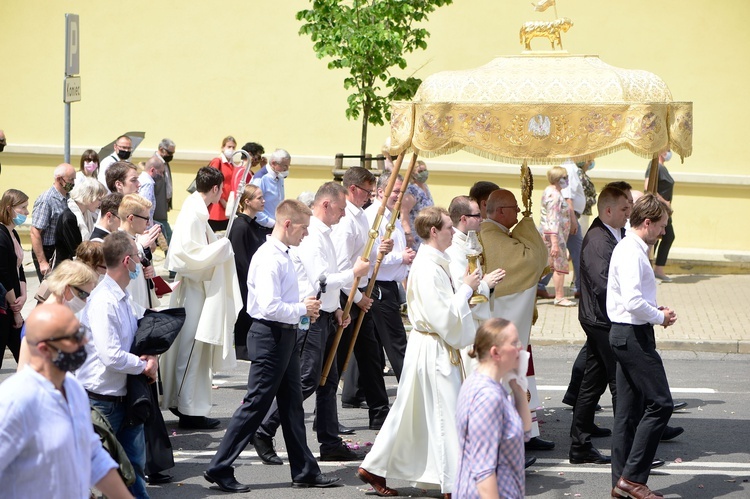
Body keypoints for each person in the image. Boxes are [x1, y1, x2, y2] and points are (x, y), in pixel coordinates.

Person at [204, 199, 340, 492]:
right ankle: (219, 466)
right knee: (256, 403)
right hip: (270, 335)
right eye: (303, 228)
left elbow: (282, 302)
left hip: (284, 334)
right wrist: (302, 309)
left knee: (292, 405)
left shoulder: (284, 254)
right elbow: (268, 307)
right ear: (287, 224)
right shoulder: (269, 257)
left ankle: (304, 470)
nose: (306, 234)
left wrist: (302, 308)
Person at [357, 206, 480, 498]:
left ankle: (375, 466)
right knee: (446, 413)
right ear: (434, 231)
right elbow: (441, 315)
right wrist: (466, 289)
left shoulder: (437, 261)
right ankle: (452, 485)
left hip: (434, 344)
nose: (454, 231)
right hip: (433, 347)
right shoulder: (426, 266)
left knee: (411, 413)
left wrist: (477, 287)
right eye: (449, 227)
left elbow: (448, 306)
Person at [254, 182, 369, 464]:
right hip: (311, 318)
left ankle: (329, 442)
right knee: (306, 380)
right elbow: (320, 279)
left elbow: (326, 282)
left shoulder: (326, 234)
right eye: (341, 208)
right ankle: (263, 429)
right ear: (326, 205)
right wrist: (352, 275)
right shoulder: (312, 236)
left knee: (328, 382)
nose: (344, 214)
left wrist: (337, 308)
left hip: (326, 313)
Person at [0, 303, 132, 499]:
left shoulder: (73, 387)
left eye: (80, 331)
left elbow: (92, 454)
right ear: (45, 349)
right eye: (74, 337)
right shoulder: (15, 401)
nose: (84, 340)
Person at [76, 231, 159, 499]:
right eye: (138, 256)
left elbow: (142, 325)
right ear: (126, 261)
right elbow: (110, 354)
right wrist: (143, 365)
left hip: (126, 398)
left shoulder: (122, 297)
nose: (140, 261)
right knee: (101, 475)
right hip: (103, 401)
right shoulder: (103, 300)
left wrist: (152, 356)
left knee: (133, 470)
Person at [161, 166, 242, 430]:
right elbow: (186, 255)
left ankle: (186, 403)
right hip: (195, 290)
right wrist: (220, 247)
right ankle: (189, 410)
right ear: (216, 188)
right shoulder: (195, 211)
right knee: (193, 348)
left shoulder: (196, 208)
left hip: (196, 288)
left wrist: (215, 245)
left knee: (193, 348)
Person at [608, 193, 677, 499]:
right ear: (647, 223)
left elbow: (635, 299)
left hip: (627, 332)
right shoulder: (632, 252)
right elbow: (633, 302)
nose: (663, 232)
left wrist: (653, 310)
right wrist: (659, 316)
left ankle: (622, 483)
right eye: (661, 225)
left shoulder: (629, 248)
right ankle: (632, 479)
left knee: (627, 412)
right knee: (661, 403)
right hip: (633, 334)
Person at [480, 189, 553, 453]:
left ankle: (527, 431)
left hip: (511, 322)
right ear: (500, 211)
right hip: (503, 323)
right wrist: (528, 225)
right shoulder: (491, 236)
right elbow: (532, 260)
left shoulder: (501, 235)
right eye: (515, 208)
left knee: (521, 373)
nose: (519, 212)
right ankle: (513, 435)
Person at [568, 186, 632, 466]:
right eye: (624, 209)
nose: (629, 213)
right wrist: (631, 303)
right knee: (621, 382)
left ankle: (580, 446)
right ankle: (628, 453)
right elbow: (602, 283)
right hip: (601, 320)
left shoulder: (615, 233)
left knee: (592, 383)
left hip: (603, 318)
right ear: (608, 211)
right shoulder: (597, 239)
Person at [331, 166, 392, 429]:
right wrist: (357, 300)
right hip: (348, 298)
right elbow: (344, 268)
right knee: (334, 362)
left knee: (370, 357)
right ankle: (325, 419)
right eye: (367, 191)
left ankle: (379, 411)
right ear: (353, 189)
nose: (369, 196)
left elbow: (365, 253)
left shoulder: (362, 217)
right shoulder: (346, 222)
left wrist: (382, 250)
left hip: (360, 294)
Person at [455, 318, 532, 499]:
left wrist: (518, 388)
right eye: (514, 343)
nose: (520, 348)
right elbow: (484, 471)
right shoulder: (487, 397)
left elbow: (525, 433)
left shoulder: (493, 387)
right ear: (495, 352)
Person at [364, 171, 415, 381]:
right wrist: (400, 257)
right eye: (395, 191)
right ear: (380, 191)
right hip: (379, 284)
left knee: (372, 340)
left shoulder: (391, 215)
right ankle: (410, 384)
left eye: (401, 191)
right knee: (396, 340)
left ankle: (354, 392)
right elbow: (371, 256)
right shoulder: (373, 218)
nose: (399, 196)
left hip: (389, 284)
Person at [445, 195, 505, 373]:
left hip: (475, 324)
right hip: (466, 325)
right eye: (477, 215)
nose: (482, 219)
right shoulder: (453, 249)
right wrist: (486, 284)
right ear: (464, 219)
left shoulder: (468, 241)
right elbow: (462, 292)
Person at [16, 259, 99, 371]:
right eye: (83, 294)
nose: (85, 301)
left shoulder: (60, 317)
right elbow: (24, 371)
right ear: (67, 288)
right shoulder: (41, 321)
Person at [227, 184, 267, 361]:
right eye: (259, 197)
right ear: (247, 201)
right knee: (244, 317)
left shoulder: (253, 224)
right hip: (244, 282)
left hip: (253, 280)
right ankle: (242, 350)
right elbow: (240, 260)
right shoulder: (240, 226)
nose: (263, 200)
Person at [30, 163, 76, 280]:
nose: (73, 183)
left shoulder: (68, 197)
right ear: (59, 179)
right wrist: (42, 262)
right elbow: (35, 232)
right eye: (71, 179)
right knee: (49, 290)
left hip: (62, 250)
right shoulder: (47, 200)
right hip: (48, 251)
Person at [538, 166, 575, 306]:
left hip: (555, 236)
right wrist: (554, 242)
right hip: (554, 237)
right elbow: (552, 218)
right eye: (564, 177)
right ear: (558, 179)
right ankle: (559, 297)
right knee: (559, 266)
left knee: (549, 266)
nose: (567, 180)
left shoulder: (553, 192)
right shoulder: (554, 195)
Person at [0, 189, 28, 368]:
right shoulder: (1, 235)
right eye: (23, 208)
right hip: (5, 306)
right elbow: (3, 274)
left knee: (26, 355)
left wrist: (24, 294)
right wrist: (15, 309)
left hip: (14, 303)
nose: (26, 212)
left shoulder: (14, 233)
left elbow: (19, 269)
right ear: (9, 208)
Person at [118, 194, 160, 309]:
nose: (148, 223)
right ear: (131, 218)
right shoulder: (116, 242)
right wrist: (140, 246)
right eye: (146, 219)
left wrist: (148, 271)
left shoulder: (136, 239)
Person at [55, 177, 108, 263]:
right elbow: (77, 251)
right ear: (89, 197)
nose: (100, 204)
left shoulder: (86, 214)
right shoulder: (69, 217)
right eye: (99, 199)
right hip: (68, 270)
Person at [645, 149, 676, 282]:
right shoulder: (654, 165)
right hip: (658, 209)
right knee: (662, 236)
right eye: (667, 149)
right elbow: (648, 187)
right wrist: (664, 202)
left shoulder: (662, 168)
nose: (669, 152)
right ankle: (653, 269)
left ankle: (656, 269)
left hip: (664, 211)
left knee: (664, 237)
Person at [250, 148, 291, 230]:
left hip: (276, 225)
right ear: (273, 163)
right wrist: (272, 224)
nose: (287, 169)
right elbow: (253, 207)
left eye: (288, 166)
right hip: (262, 227)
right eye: (284, 166)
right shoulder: (260, 179)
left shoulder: (279, 175)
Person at [399, 160, 434, 249]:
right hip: (415, 234)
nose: (424, 173)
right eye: (420, 171)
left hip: (426, 232)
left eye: (425, 170)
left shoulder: (425, 187)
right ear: (413, 174)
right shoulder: (412, 191)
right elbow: (404, 212)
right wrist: (408, 233)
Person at [207, 135, 237, 231]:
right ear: (223, 148)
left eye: (233, 147)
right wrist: (223, 202)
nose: (231, 149)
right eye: (229, 147)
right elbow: (213, 182)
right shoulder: (218, 161)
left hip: (228, 206)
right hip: (217, 206)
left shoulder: (232, 165)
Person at [151, 138, 176, 245]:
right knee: (168, 237)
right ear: (161, 149)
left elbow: (167, 183)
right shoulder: (155, 163)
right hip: (157, 209)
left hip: (163, 206)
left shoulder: (164, 162)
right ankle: (170, 260)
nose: (171, 155)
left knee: (164, 237)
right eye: (169, 152)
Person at [137, 156, 165, 225]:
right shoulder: (148, 184)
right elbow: (145, 207)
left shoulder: (141, 178)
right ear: (152, 170)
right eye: (160, 172)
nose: (162, 175)